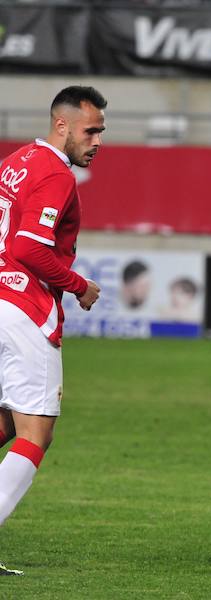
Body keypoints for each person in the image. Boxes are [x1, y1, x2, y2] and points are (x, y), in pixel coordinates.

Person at [0, 86, 105, 575]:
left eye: (101, 130)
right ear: (62, 125)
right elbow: (28, 247)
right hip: (23, 307)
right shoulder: (55, 174)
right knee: (35, 431)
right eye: (91, 130)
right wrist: (79, 285)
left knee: (6, 424)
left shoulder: (15, 161)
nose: (98, 140)